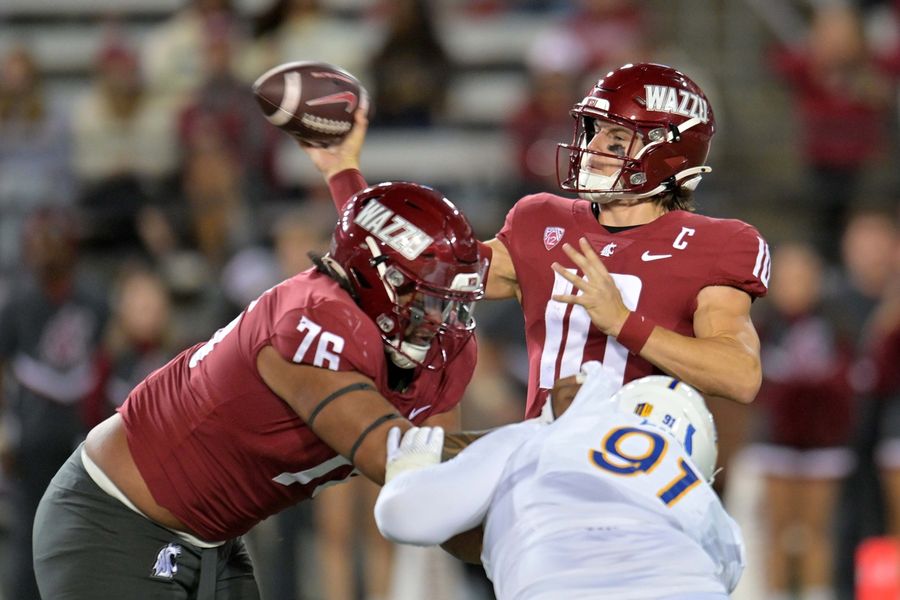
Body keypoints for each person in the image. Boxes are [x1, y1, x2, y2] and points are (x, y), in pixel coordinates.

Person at [32, 181, 488, 599]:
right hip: (116, 520)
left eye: (451, 302)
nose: (442, 321)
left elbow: (439, 500)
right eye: (429, 300)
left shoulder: (441, 355)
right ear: (379, 279)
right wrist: (534, 445)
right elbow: (393, 455)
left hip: (212, 539)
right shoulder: (311, 318)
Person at [304, 62, 770, 427]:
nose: (593, 146)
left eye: (617, 137)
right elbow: (426, 268)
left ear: (670, 150)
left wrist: (624, 322)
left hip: (645, 478)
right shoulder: (541, 220)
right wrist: (342, 170)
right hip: (544, 469)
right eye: (594, 130)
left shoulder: (717, 243)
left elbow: (740, 376)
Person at [373, 361, 746, 599]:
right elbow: (731, 569)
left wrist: (410, 473)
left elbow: (404, 517)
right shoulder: (694, 491)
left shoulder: (535, 439)